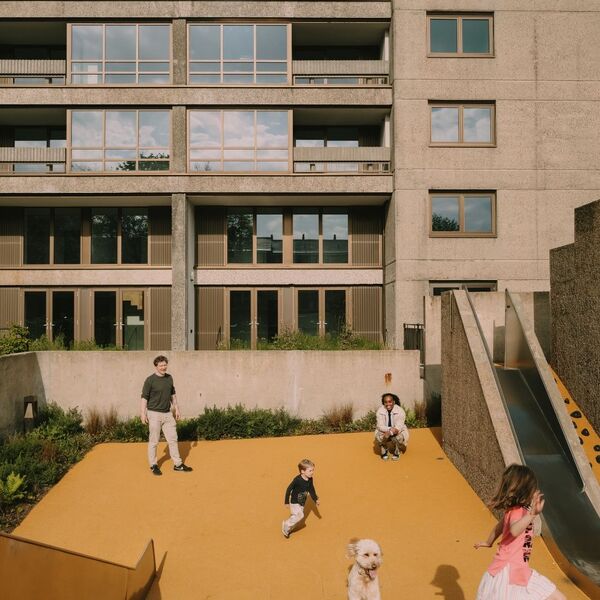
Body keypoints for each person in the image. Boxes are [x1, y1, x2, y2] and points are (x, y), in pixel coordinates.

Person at [474, 464, 565, 600]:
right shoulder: (517, 511)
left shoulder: (516, 511)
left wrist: (489, 542)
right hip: (507, 571)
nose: (537, 492)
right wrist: (532, 515)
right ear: (525, 491)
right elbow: (514, 530)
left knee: (559, 598)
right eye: (534, 489)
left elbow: (499, 528)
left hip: (520, 570)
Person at [140, 355, 192, 476]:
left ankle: (178, 464)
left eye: (165, 365)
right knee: (154, 441)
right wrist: (143, 413)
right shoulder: (150, 380)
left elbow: (172, 394)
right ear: (156, 366)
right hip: (154, 414)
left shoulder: (169, 378)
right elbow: (144, 397)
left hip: (168, 414)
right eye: (161, 365)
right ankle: (153, 465)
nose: (163, 367)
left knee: (173, 439)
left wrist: (177, 409)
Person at [282, 459, 319, 538]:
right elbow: (289, 489)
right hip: (294, 501)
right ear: (302, 471)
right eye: (310, 471)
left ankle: (289, 527)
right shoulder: (297, 480)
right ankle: (286, 526)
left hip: (302, 502)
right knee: (300, 515)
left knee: (297, 516)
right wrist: (286, 502)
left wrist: (315, 499)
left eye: (313, 470)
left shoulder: (310, 479)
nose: (312, 472)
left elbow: (311, 489)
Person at [375, 393, 409, 461]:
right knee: (379, 436)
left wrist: (390, 432)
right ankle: (384, 450)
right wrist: (389, 430)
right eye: (385, 402)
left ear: (394, 402)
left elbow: (398, 427)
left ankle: (397, 451)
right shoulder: (380, 411)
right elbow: (380, 426)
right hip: (385, 431)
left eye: (390, 401)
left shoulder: (400, 411)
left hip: (398, 431)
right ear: (383, 403)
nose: (388, 404)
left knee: (399, 438)